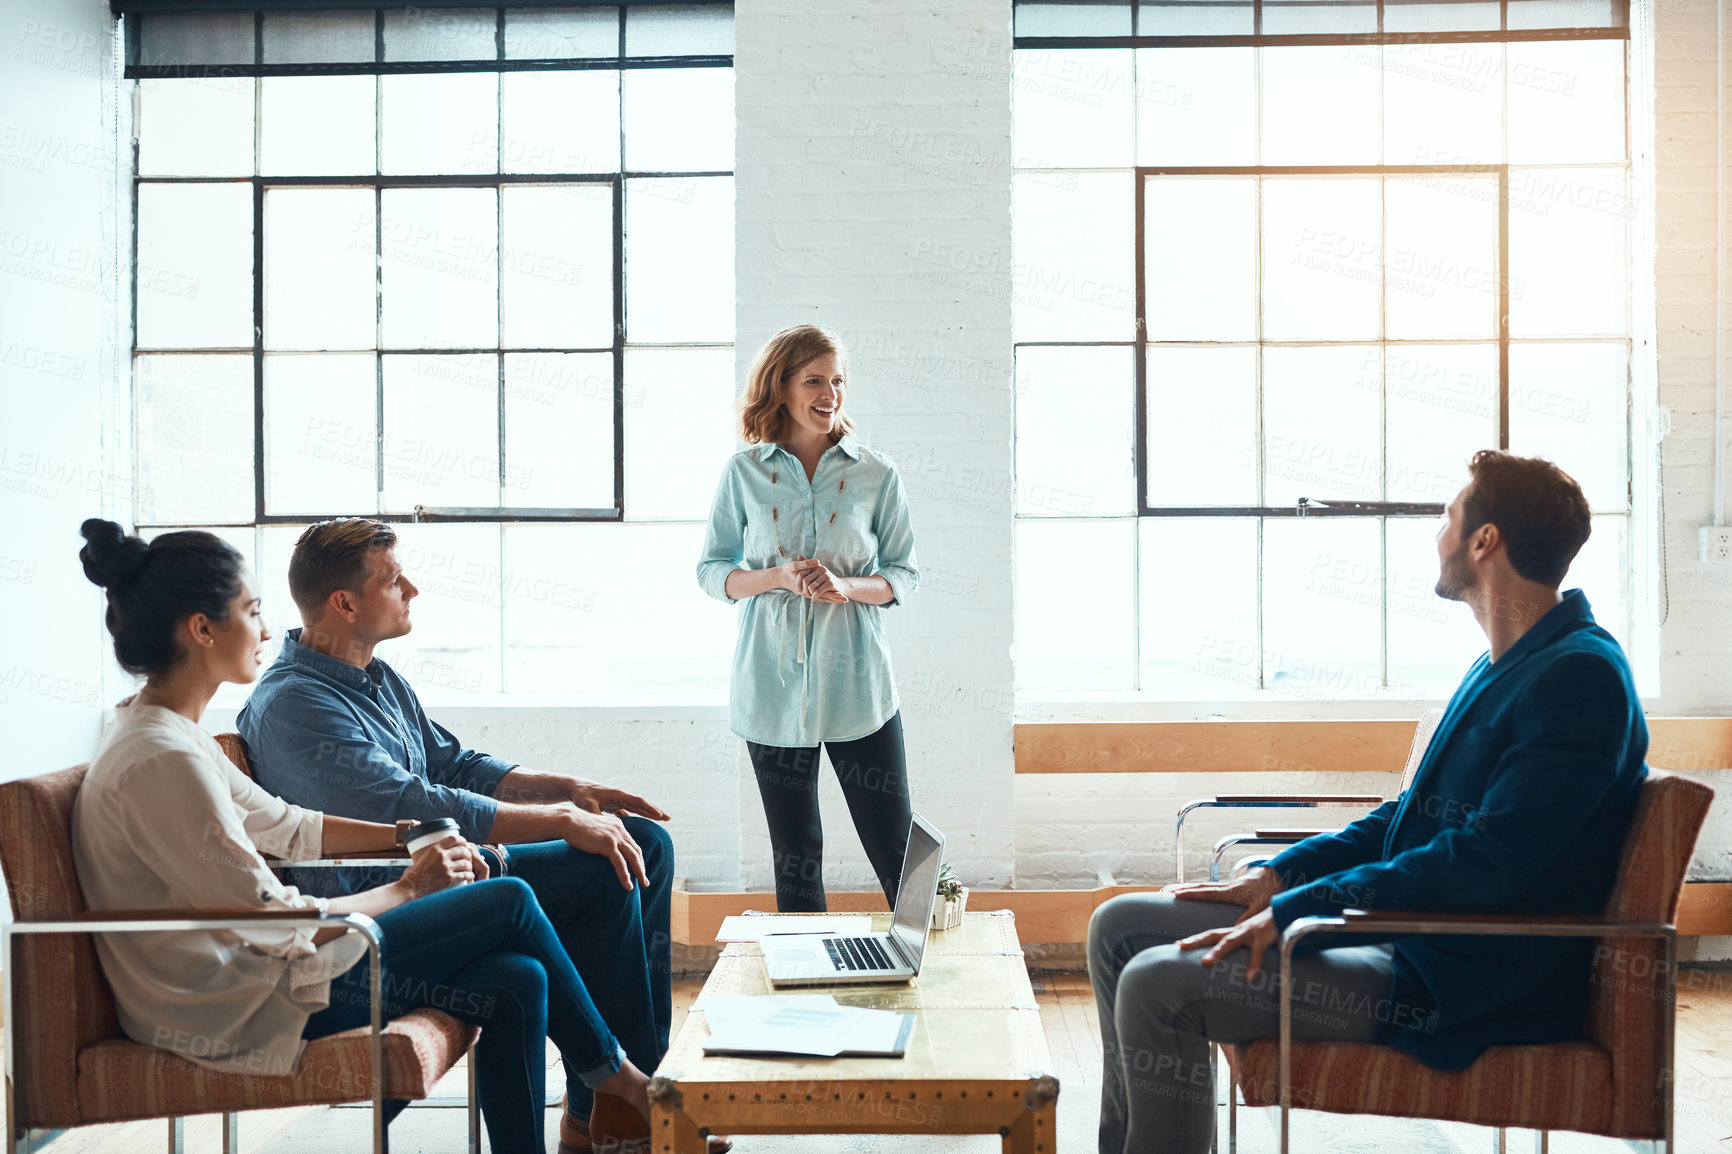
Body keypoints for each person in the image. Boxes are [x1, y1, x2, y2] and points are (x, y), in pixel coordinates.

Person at [1087, 451, 1649, 1154]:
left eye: (1449, 515)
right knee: (1117, 927)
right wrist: (1281, 875)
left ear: (1485, 540)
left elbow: (1486, 865)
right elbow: (1406, 820)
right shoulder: (1507, 662)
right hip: (1414, 941)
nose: (1438, 534)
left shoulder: (1580, 677)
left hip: (1463, 978)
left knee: (1156, 984)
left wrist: (1301, 910)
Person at [70, 519, 661, 1154]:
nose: (267, 630)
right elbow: (273, 921)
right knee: (509, 899)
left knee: (517, 976)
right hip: (234, 1009)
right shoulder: (166, 756)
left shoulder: (173, 737)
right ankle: (628, 1086)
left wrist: (412, 835)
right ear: (202, 628)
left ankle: (604, 1109)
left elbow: (291, 827)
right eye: (252, 610)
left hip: (259, 979)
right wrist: (412, 887)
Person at [232, 517, 708, 1154]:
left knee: (643, 841)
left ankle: (611, 1105)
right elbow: (416, 806)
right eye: (395, 580)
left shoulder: (375, 676)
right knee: (602, 866)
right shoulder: (295, 704)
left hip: (447, 867)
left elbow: (453, 764)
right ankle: (618, 1106)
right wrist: (565, 822)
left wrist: (569, 789)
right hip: (398, 892)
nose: (414, 590)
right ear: (344, 603)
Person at [697, 324, 920, 912]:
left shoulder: (877, 474)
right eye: (815, 380)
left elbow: (903, 575)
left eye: (838, 380)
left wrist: (844, 585)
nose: (830, 394)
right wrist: (775, 577)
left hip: (860, 687)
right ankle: (810, 993)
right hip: (770, 687)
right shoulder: (744, 472)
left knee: (895, 842)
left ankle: (938, 975)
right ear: (783, 387)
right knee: (796, 852)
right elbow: (712, 570)